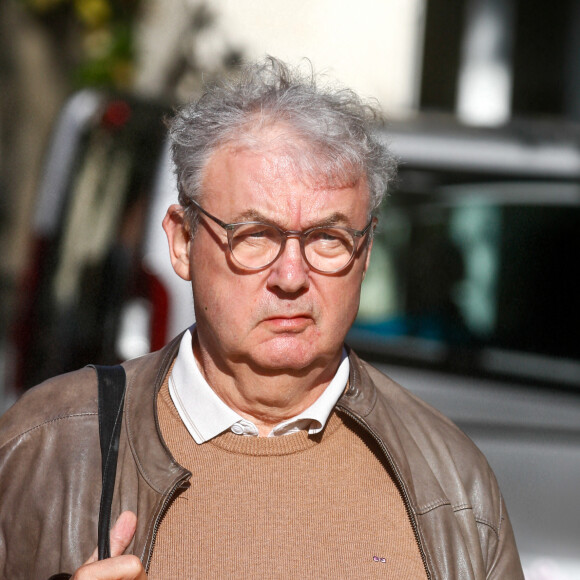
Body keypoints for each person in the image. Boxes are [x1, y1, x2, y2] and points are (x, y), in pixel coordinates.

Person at [0, 57, 524, 579]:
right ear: (182, 242)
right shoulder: (46, 444)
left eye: (327, 238)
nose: (290, 276)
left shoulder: (453, 481)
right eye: (255, 236)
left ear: (365, 253)